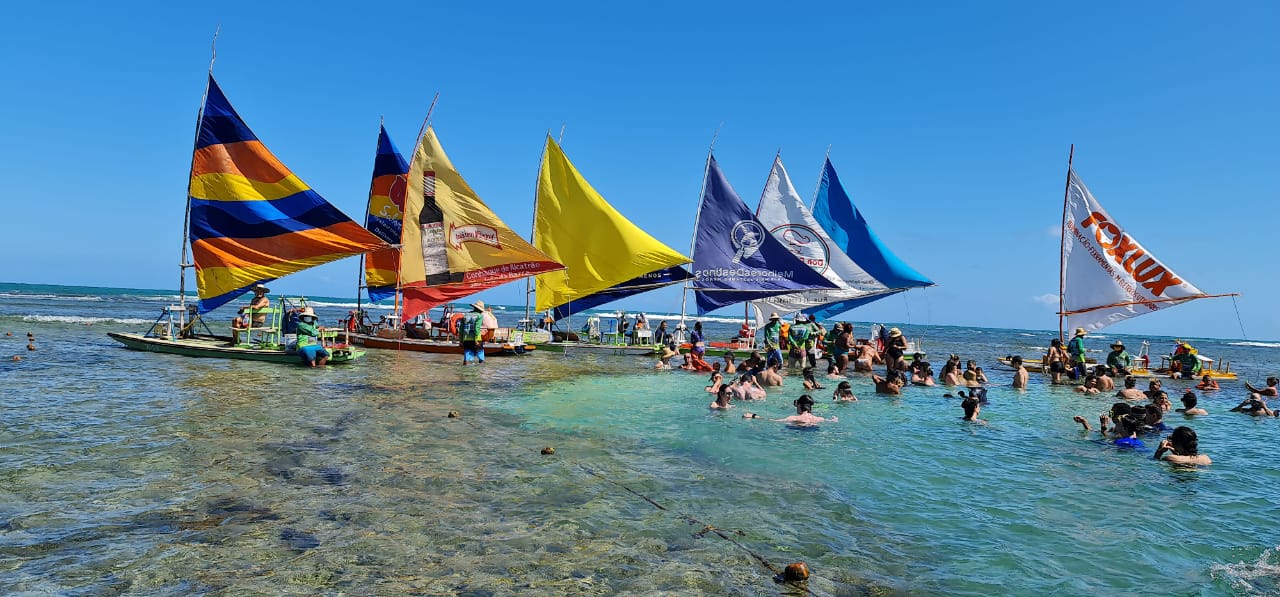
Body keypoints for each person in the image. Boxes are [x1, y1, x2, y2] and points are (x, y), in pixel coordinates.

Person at [772, 394, 836, 426]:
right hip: (813, 430)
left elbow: (775, 421)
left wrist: (762, 418)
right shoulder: (819, 419)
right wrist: (834, 419)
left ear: (799, 405)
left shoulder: (793, 418)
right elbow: (832, 421)